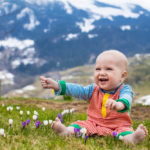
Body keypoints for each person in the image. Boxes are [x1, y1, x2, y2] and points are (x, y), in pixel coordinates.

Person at [40, 50, 148, 144]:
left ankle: (133, 138)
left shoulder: (124, 89)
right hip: (94, 124)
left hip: (118, 126)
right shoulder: (93, 90)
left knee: (124, 133)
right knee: (79, 125)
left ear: (122, 76)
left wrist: (119, 104)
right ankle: (66, 131)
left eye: (109, 69)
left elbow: (127, 98)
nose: (102, 73)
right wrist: (58, 86)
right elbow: (77, 90)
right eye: (98, 69)